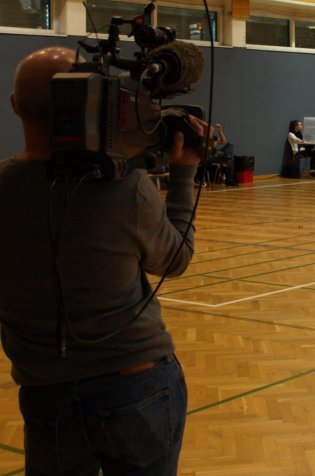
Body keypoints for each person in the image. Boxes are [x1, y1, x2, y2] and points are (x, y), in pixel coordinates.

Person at [0, 46, 203, 473]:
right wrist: (184, 175)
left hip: (46, 393)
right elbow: (175, 259)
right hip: (137, 384)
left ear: (15, 105)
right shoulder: (125, 188)